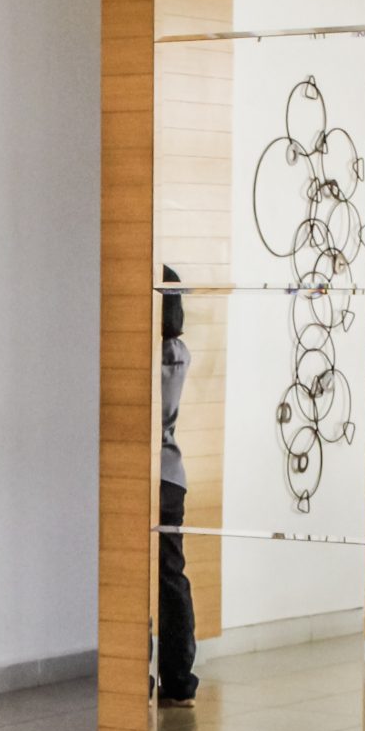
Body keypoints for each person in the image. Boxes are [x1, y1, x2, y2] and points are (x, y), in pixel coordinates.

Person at [156, 265, 199, 707]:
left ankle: (164, 673)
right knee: (171, 577)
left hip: (154, 474)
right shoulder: (179, 351)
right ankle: (179, 678)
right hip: (172, 474)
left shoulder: (157, 355)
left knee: (155, 579)